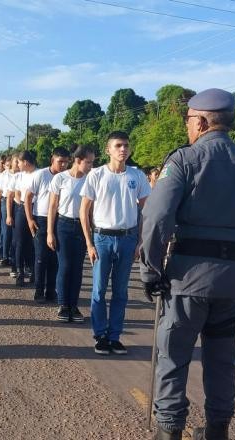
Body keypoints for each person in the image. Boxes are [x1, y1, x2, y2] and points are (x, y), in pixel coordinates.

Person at [139, 88, 235, 439]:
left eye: (189, 121)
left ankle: (168, 431)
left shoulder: (184, 160)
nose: (187, 128)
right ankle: (217, 431)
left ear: (203, 121)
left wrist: (150, 272)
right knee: (223, 361)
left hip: (188, 280)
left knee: (173, 358)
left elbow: (156, 218)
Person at [81, 131, 150, 355]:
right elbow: (84, 211)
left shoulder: (137, 176)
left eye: (126, 146)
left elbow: (145, 210)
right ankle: (100, 335)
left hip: (128, 238)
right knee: (99, 290)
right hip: (102, 238)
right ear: (108, 150)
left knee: (121, 291)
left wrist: (141, 240)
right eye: (118, 145)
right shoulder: (96, 175)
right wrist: (89, 243)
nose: (123, 150)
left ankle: (115, 336)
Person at [47, 146, 95, 322]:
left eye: (92, 162)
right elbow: (52, 206)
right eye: (88, 162)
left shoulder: (90, 180)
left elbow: (90, 210)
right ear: (78, 160)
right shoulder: (60, 178)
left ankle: (74, 306)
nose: (91, 166)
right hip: (64, 225)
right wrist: (50, 233)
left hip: (82, 227)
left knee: (77, 268)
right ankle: (63, 305)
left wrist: (92, 231)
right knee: (65, 266)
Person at [25, 147, 70, 303]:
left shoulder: (66, 177)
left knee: (55, 259)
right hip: (41, 220)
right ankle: (39, 291)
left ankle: (51, 291)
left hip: (60, 220)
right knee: (41, 257)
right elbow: (28, 197)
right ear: (52, 160)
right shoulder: (41, 175)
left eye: (66, 162)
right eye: (60, 161)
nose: (63, 165)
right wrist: (30, 219)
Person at [11, 151, 37, 287]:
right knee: (20, 242)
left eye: (19, 162)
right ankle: (20, 272)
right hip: (21, 208)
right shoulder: (19, 176)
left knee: (34, 243)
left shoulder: (39, 174)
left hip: (37, 210)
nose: (18, 165)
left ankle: (34, 270)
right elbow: (17, 194)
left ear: (25, 162)